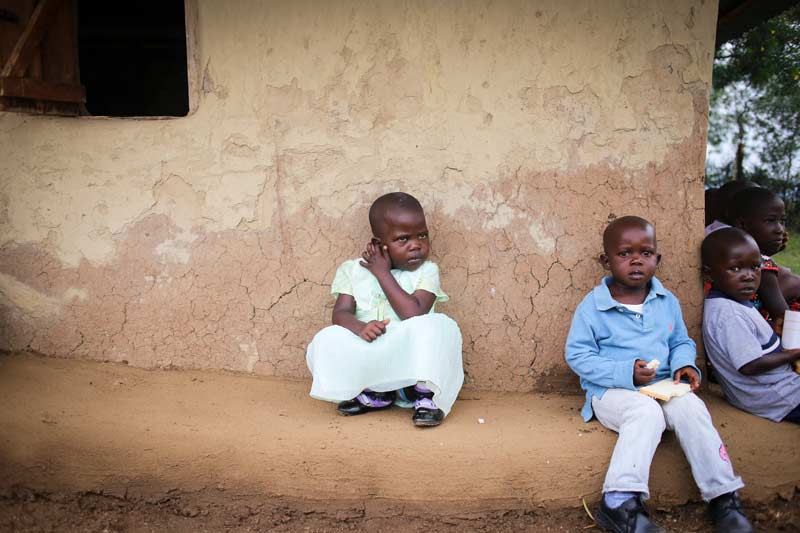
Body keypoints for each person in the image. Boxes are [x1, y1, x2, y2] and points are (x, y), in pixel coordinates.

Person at [565, 216, 752, 533]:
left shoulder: (666, 302)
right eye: (624, 254)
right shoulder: (593, 307)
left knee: (692, 407)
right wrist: (624, 371)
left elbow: (681, 341)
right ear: (605, 260)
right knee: (645, 412)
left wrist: (684, 364)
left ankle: (723, 496)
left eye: (646, 253)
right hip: (610, 392)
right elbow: (578, 355)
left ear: (657, 259)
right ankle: (619, 501)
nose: (636, 260)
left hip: (663, 386)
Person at [306, 192, 463, 427]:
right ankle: (376, 391)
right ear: (380, 245)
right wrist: (360, 328)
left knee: (438, 326)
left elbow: (413, 314)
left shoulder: (427, 271)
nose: (416, 245)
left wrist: (382, 273)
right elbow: (340, 314)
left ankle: (424, 395)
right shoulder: (352, 270)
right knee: (327, 338)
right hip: (372, 357)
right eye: (403, 239)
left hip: (412, 367)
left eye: (422, 235)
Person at [701, 227, 800, 423]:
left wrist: (773, 330)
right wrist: (794, 354)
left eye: (755, 267)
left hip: (774, 388)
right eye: (735, 269)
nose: (748, 276)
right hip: (778, 397)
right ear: (709, 275)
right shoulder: (728, 313)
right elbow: (749, 365)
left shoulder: (736, 301)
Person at [729, 187, 789, 329]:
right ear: (743, 225)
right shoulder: (760, 265)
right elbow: (784, 318)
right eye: (770, 221)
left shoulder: (727, 257)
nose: (779, 229)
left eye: (782, 221)